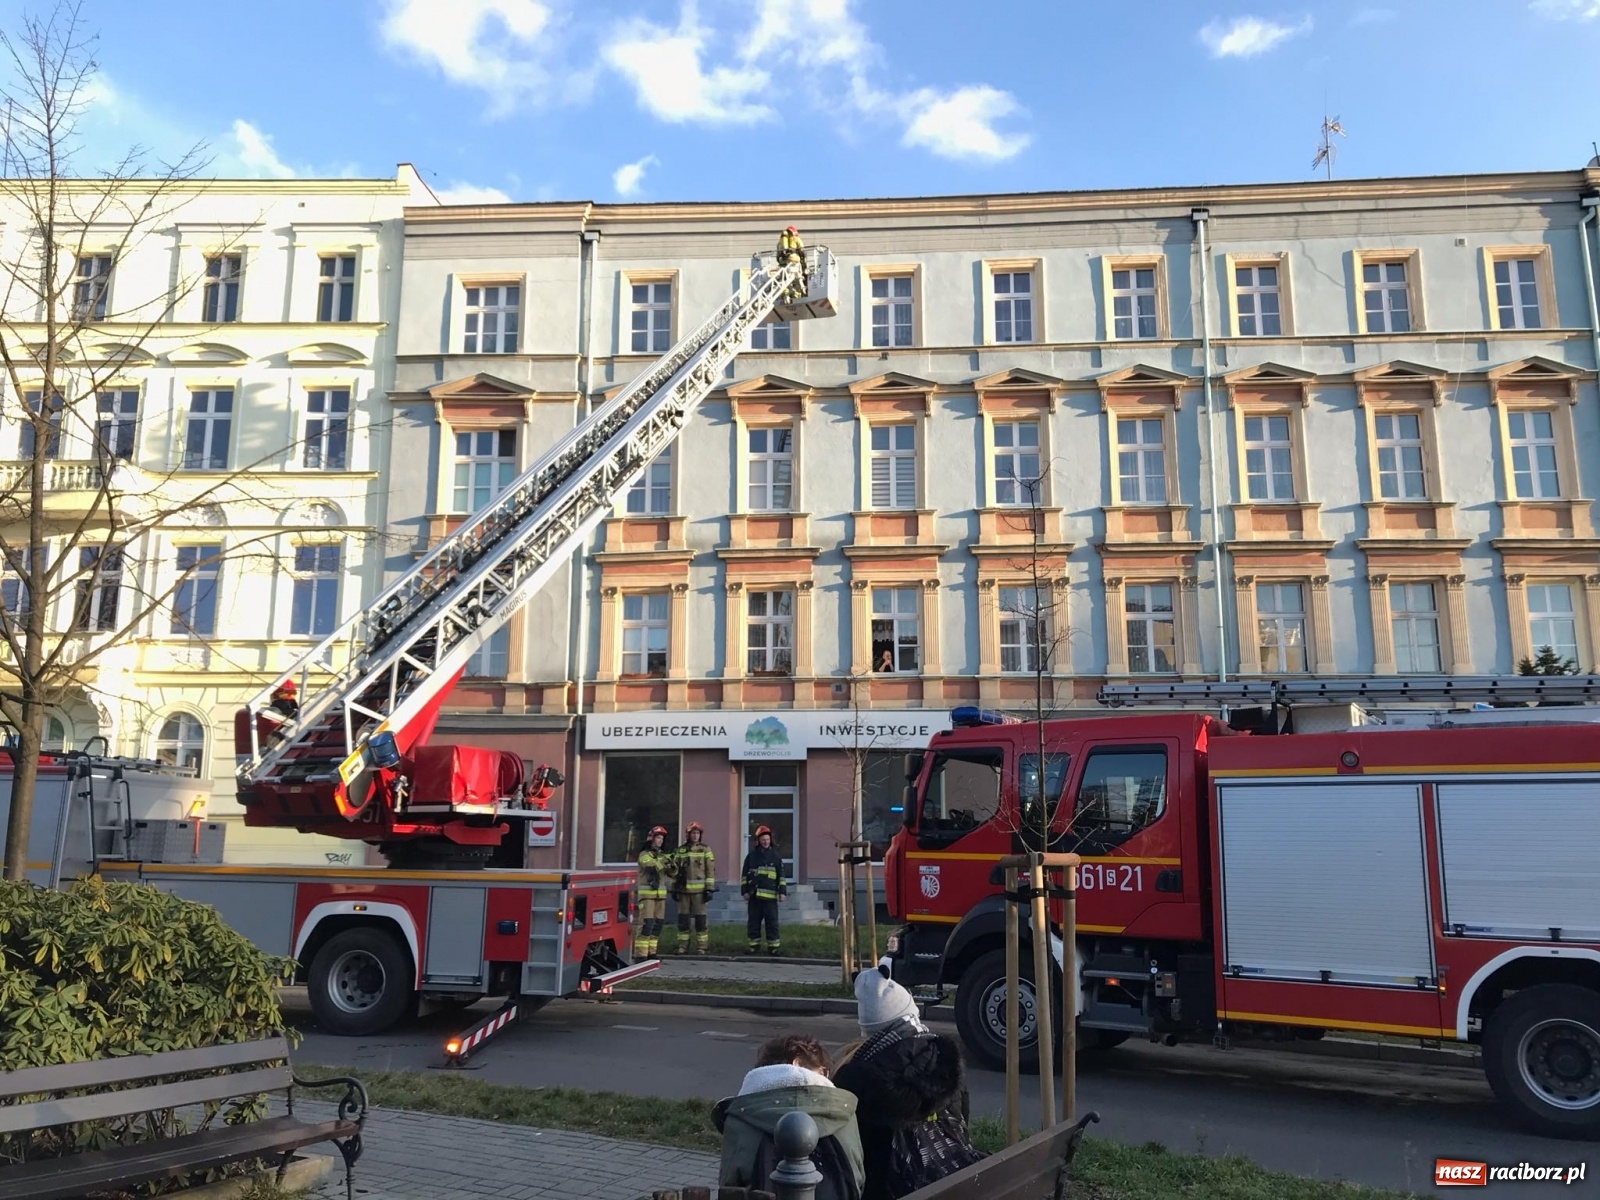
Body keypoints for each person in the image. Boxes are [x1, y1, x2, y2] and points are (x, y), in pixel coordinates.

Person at [832, 961, 984, 1199]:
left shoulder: (854, 1078)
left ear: (868, 1029)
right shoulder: (947, 1060)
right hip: (954, 1181)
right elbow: (963, 1120)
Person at [714, 1033, 866, 1200]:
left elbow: (729, 1184)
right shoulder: (843, 1112)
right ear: (796, 1063)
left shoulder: (741, 1115)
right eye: (824, 1071)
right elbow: (857, 1177)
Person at [671, 821, 716, 955]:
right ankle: (682, 947)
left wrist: (709, 888)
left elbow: (710, 870)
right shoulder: (680, 850)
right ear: (688, 834)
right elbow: (675, 870)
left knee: (701, 921)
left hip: (699, 892)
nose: (695, 836)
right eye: (693, 833)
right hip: (683, 891)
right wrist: (673, 888)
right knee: (683, 920)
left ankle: (702, 947)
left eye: (697, 833)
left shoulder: (705, 849)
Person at [741, 824, 786, 956]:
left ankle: (774, 947)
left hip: (770, 898)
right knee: (753, 922)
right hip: (754, 897)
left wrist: (782, 892)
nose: (765, 842)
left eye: (767, 839)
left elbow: (781, 877)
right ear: (758, 841)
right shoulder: (751, 857)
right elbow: (744, 876)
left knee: (772, 923)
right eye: (763, 840)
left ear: (770, 840)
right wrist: (745, 891)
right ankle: (754, 946)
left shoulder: (776, 857)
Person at [634, 824, 671, 959]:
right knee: (646, 924)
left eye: (662, 838)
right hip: (647, 897)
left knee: (657, 925)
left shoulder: (662, 855)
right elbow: (651, 865)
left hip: (660, 896)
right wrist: (665, 861)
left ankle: (652, 952)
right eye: (658, 838)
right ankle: (640, 955)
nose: (660, 840)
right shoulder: (644, 855)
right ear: (652, 839)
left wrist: (673, 865)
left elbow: (672, 872)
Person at [776, 225, 807, 301]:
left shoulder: (780, 242)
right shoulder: (796, 238)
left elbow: (777, 256)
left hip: (783, 263)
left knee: (784, 280)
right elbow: (802, 250)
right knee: (798, 278)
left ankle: (786, 295)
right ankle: (802, 291)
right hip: (793, 260)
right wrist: (804, 262)